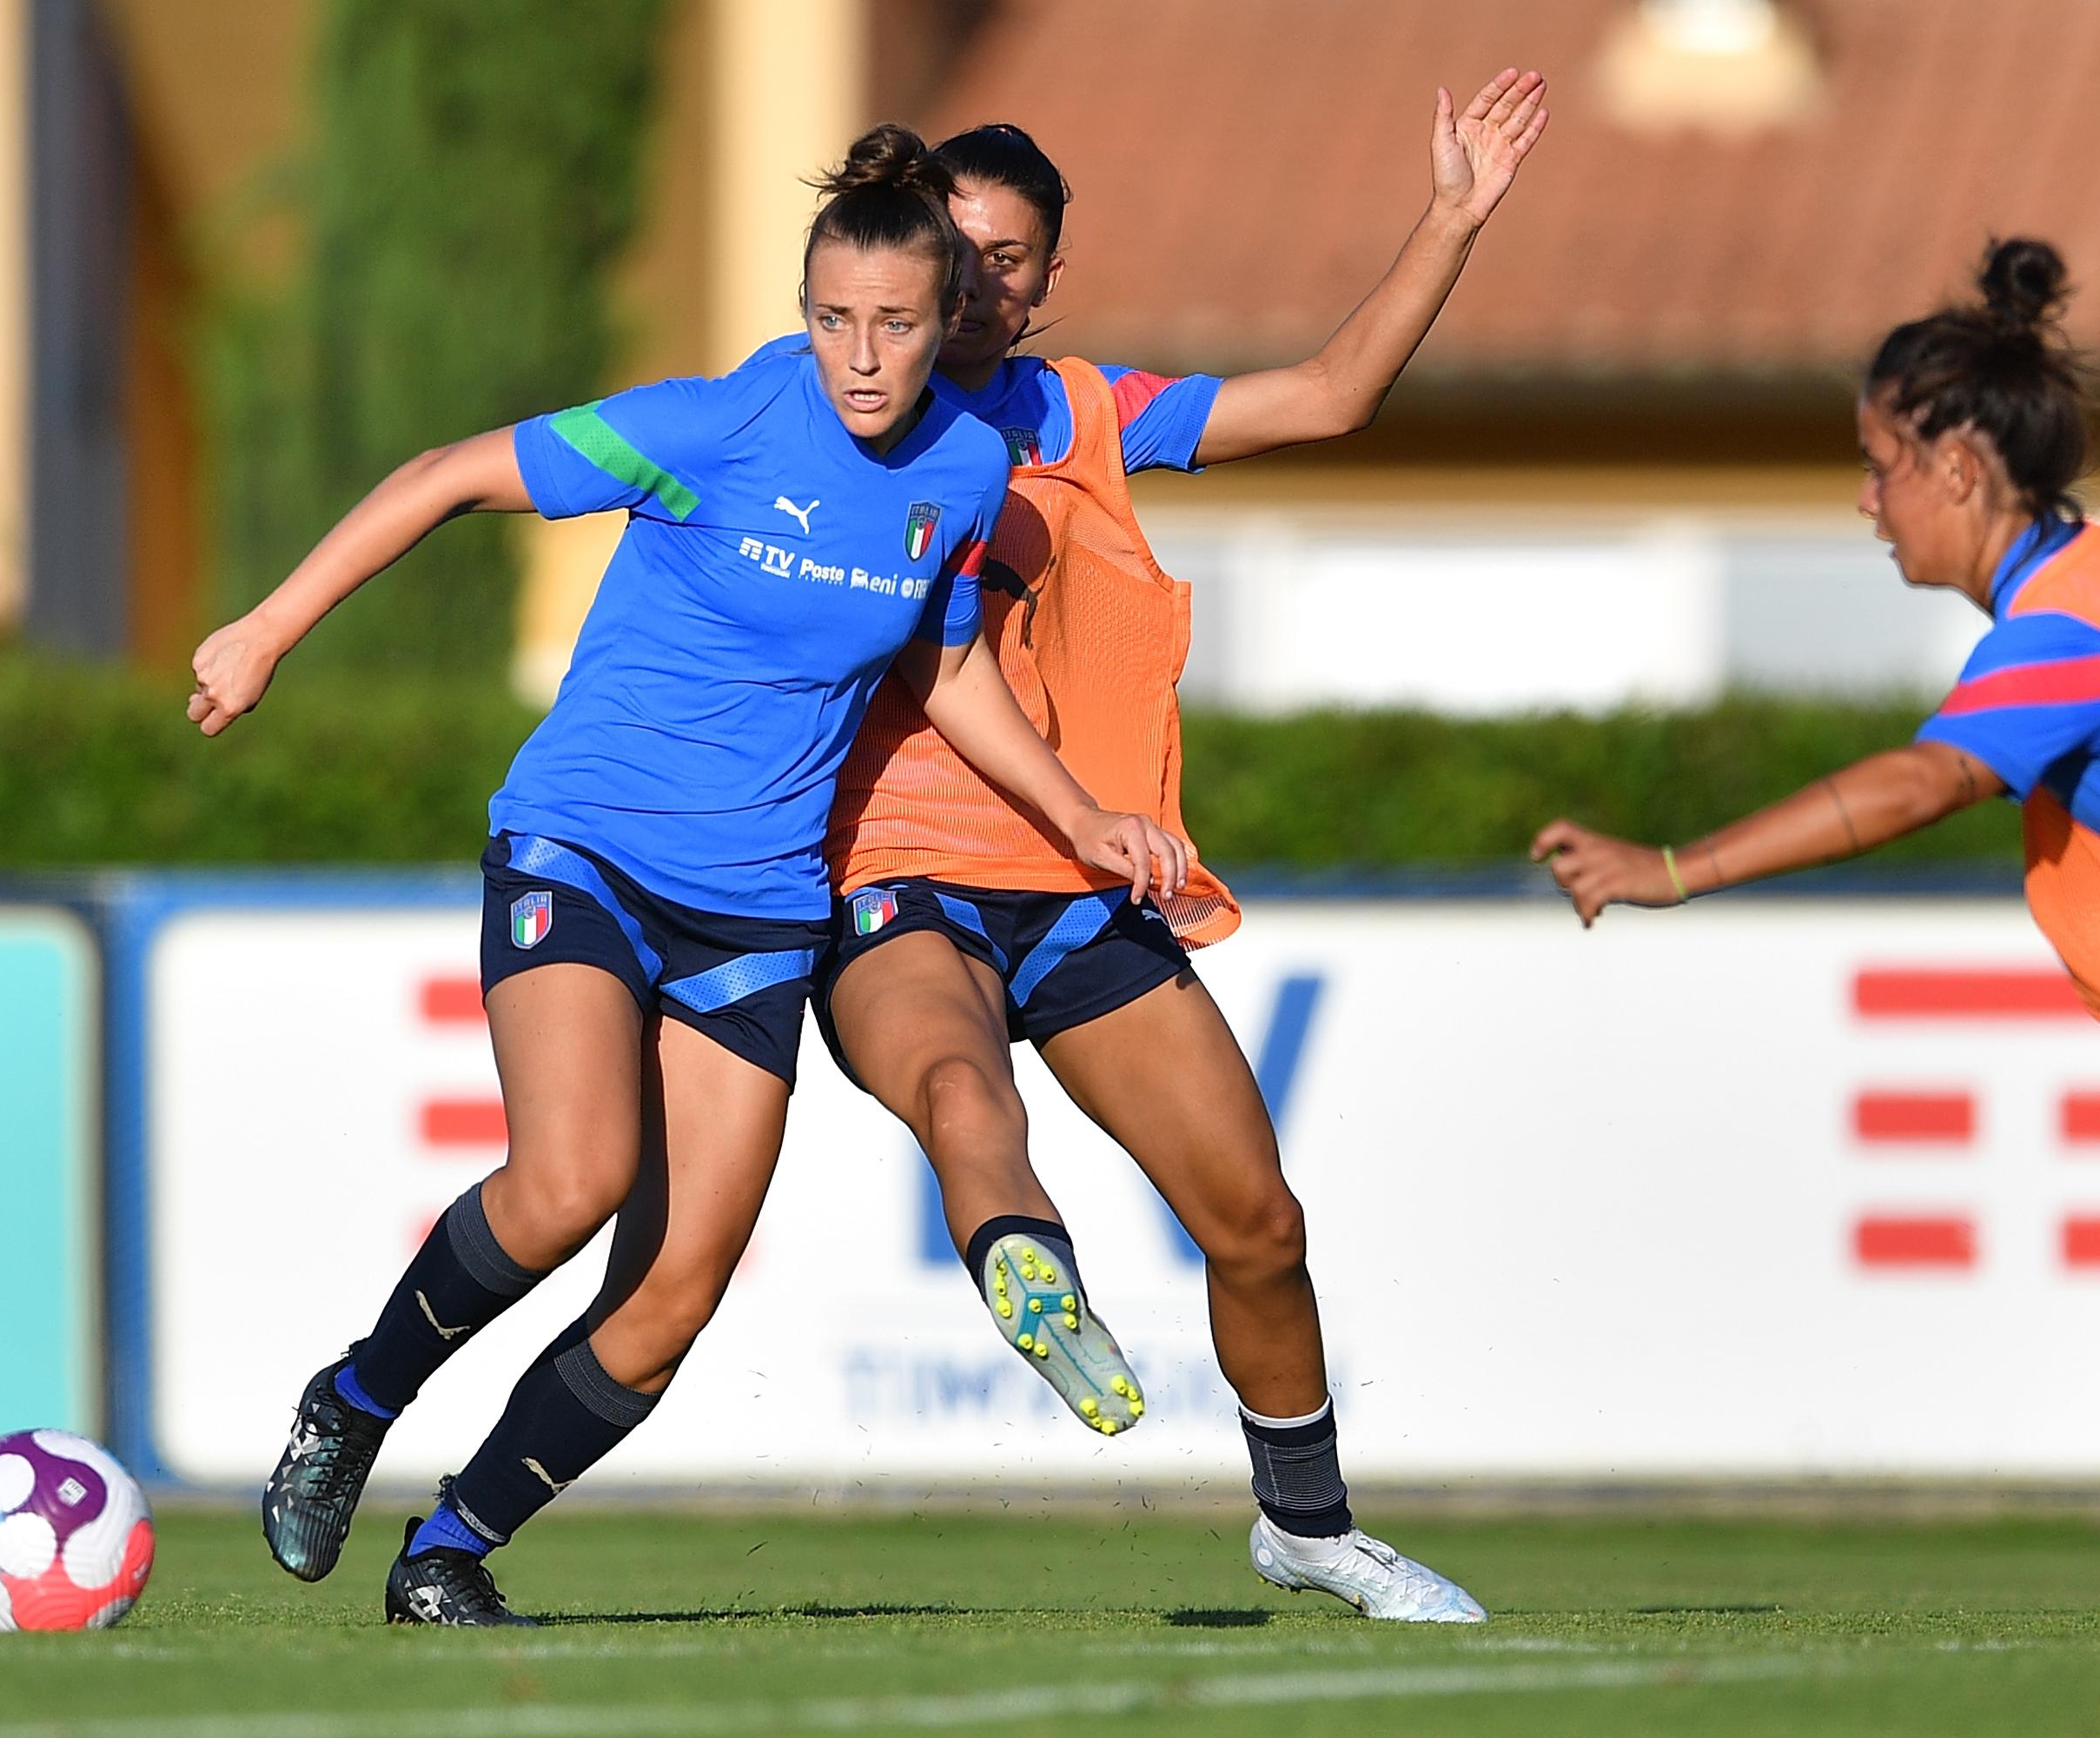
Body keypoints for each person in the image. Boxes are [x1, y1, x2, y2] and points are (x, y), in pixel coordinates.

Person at [188, 125, 1189, 1627]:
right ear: (804, 311)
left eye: (897, 327)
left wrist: (1081, 816)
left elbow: (952, 661)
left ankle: (449, 1551)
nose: (862, 358)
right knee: (573, 1175)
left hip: (759, 905)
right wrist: (268, 629)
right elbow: (447, 473)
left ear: (948, 327)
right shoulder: (712, 428)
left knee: (669, 1304)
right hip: (585, 844)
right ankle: (353, 1403)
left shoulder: (970, 469)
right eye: (834, 321)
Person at [817, 75, 1548, 1624]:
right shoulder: (835, 406)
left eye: (1009, 258)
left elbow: (1333, 396)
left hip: (1081, 884)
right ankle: (1035, 1273)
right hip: (898, 873)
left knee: (1257, 1222)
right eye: (955, 248)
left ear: (1046, 280)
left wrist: (1452, 219)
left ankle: (1309, 1526)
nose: (976, 282)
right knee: (962, 1086)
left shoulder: (1086, 411)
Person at [1537, 238, 2099, 1015]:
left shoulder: (2067, 629)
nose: (1868, 501)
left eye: (1878, 465)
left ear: (1958, 471)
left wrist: (1674, 870)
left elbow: (1917, 783)